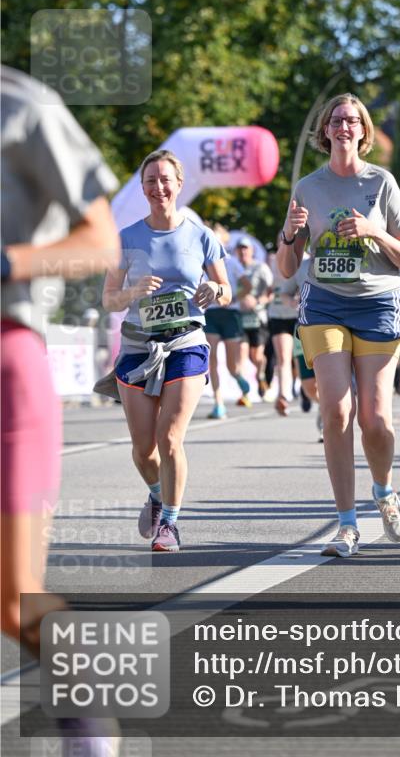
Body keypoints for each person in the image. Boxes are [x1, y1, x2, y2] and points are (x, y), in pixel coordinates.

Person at [1, 65, 120, 753]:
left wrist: (6, 262)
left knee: (12, 596)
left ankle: (88, 710)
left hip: (7, 360)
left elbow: (100, 241)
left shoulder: (23, 107)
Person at [277, 93, 400, 558]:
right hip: (324, 304)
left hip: (377, 304)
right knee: (336, 412)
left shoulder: (382, 183)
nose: (344, 126)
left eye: (352, 120)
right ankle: (346, 524)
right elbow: (286, 267)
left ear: (363, 131)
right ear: (325, 130)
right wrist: (290, 234)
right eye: (336, 120)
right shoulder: (308, 187)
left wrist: (374, 231)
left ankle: (384, 491)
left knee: (374, 420)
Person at [102, 149, 231, 552]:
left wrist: (216, 289)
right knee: (144, 450)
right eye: (150, 181)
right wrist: (133, 292)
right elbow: (108, 298)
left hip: (186, 341)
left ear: (179, 184)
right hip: (139, 347)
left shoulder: (201, 235)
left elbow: (227, 290)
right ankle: (157, 494)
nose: (158, 187)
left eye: (165, 179)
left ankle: (171, 525)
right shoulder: (125, 239)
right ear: (143, 188)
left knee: (170, 437)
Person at [203, 233, 247, 418]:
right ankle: (218, 402)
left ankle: (238, 377)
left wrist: (235, 298)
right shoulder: (202, 261)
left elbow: (248, 285)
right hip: (211, 313)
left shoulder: (232, 262)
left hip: (230, 313)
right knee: (211, 358)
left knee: (231, 365)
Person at [233, 236, 273, 400]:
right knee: (241, 353)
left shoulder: (260, 267)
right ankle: (245, 393)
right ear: (236, 251)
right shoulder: (234, 267)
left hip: (257, 317)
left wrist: (257, 302)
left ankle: (261, 375)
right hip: (239, 317)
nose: (243, 251)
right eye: (240, 248)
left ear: (252, 250)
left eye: (245, 248)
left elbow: (270, 292)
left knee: (256, 356)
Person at [266, 237, 301, 415]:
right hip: (278, 314)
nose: (284, 243)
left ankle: (304, 389)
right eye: (281, 240)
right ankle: (283, 395)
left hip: (299, 315)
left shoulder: (304, 258)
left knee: (301, 359)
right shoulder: (271, 261)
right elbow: (267, 287)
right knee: (283, 357)